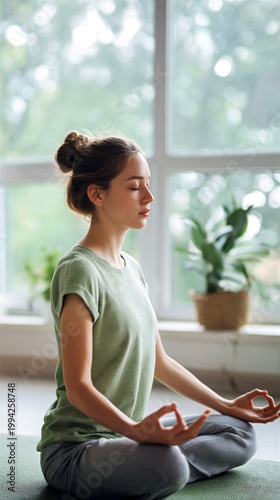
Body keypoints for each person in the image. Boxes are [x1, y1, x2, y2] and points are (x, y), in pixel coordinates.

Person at [37, 131, 280, 500]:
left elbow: (161, 362)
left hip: (126, 436)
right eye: (135, 187)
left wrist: (227, 404)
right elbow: (79, 387)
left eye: (148, 184)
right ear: (97, 194)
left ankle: (148, 463)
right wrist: (136, 432)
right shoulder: (79, 271)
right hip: (76, 450)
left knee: (239, 432)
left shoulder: (131, 268)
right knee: (169, 466)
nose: (149, 197)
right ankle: (156, 463)